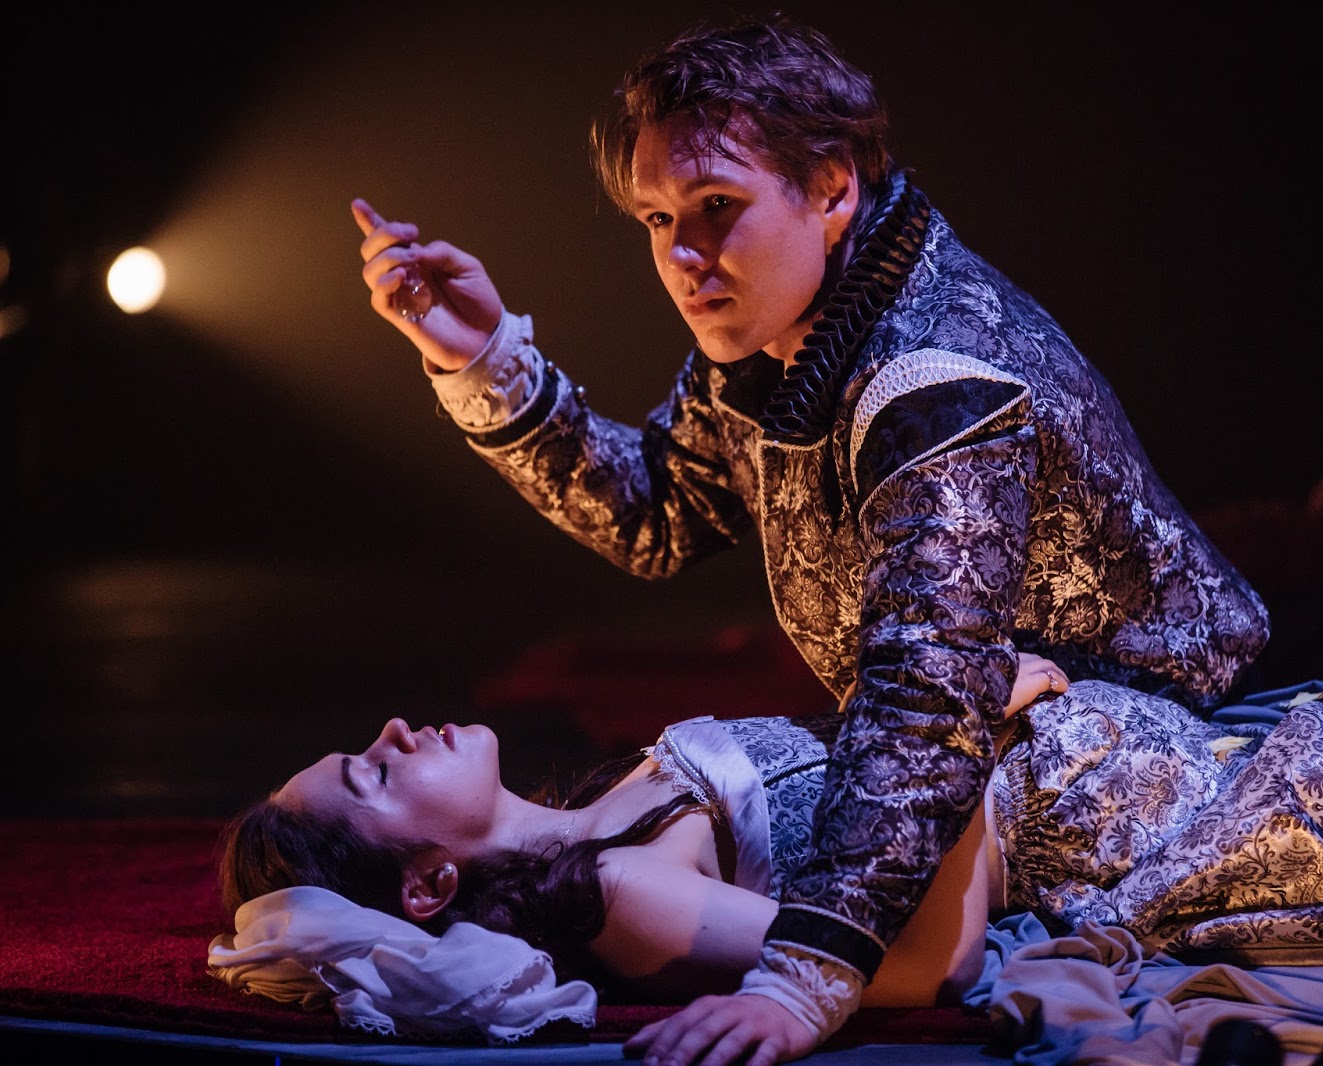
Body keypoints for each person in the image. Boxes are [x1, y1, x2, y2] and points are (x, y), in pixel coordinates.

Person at [349, 14, 1271, 1062]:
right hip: (989, 769)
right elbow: (660, 513)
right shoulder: (781, 332)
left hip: (1130, 783)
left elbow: (928, 692)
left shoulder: (935, 375)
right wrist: (481, 359)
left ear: (831, 189)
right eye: (657, 219)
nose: (682, 256)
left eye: (716, 207)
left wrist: (803, 976)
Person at [212, 658, 1323, 1062]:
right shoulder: (618, 892)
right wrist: (967, 732)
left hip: (1123, 761)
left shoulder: (606, 817)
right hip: (1130, 817)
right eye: (372, 772)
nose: (393, 731)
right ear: (427, 884)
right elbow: (911, 968)